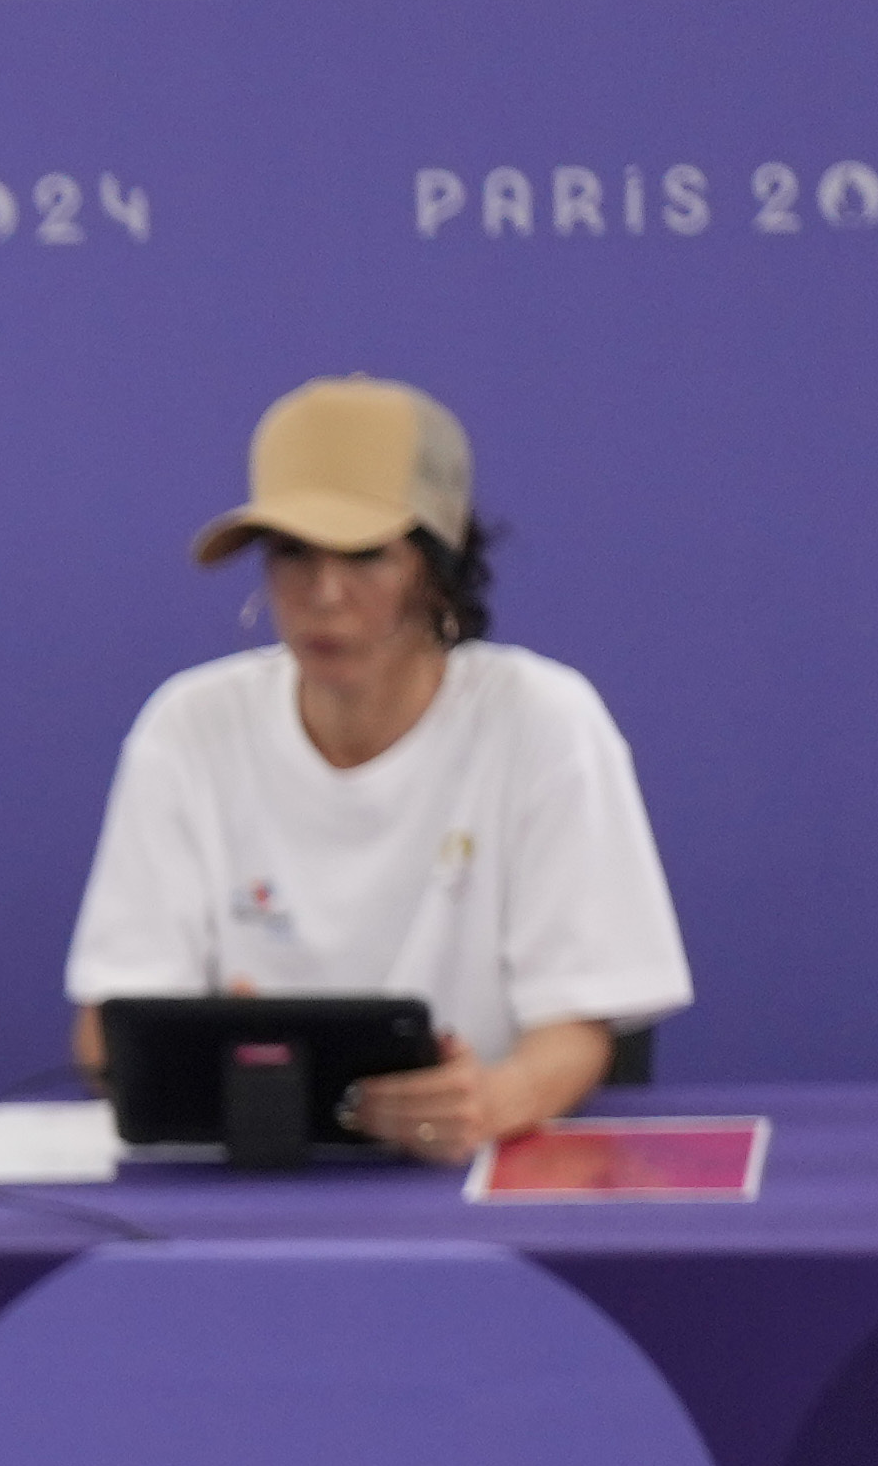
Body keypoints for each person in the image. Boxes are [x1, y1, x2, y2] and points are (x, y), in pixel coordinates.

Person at [61, 377, 687, 1164]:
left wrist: (490, 1101)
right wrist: (199, 1057)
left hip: (473, 1185)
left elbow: (581, 1025)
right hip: (243, 1189)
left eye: (364, 555)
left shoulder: (542, 720)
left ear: (438, 564)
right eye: (291, 552)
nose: (325, 594)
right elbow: (105, 1024)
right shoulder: (188, 726)